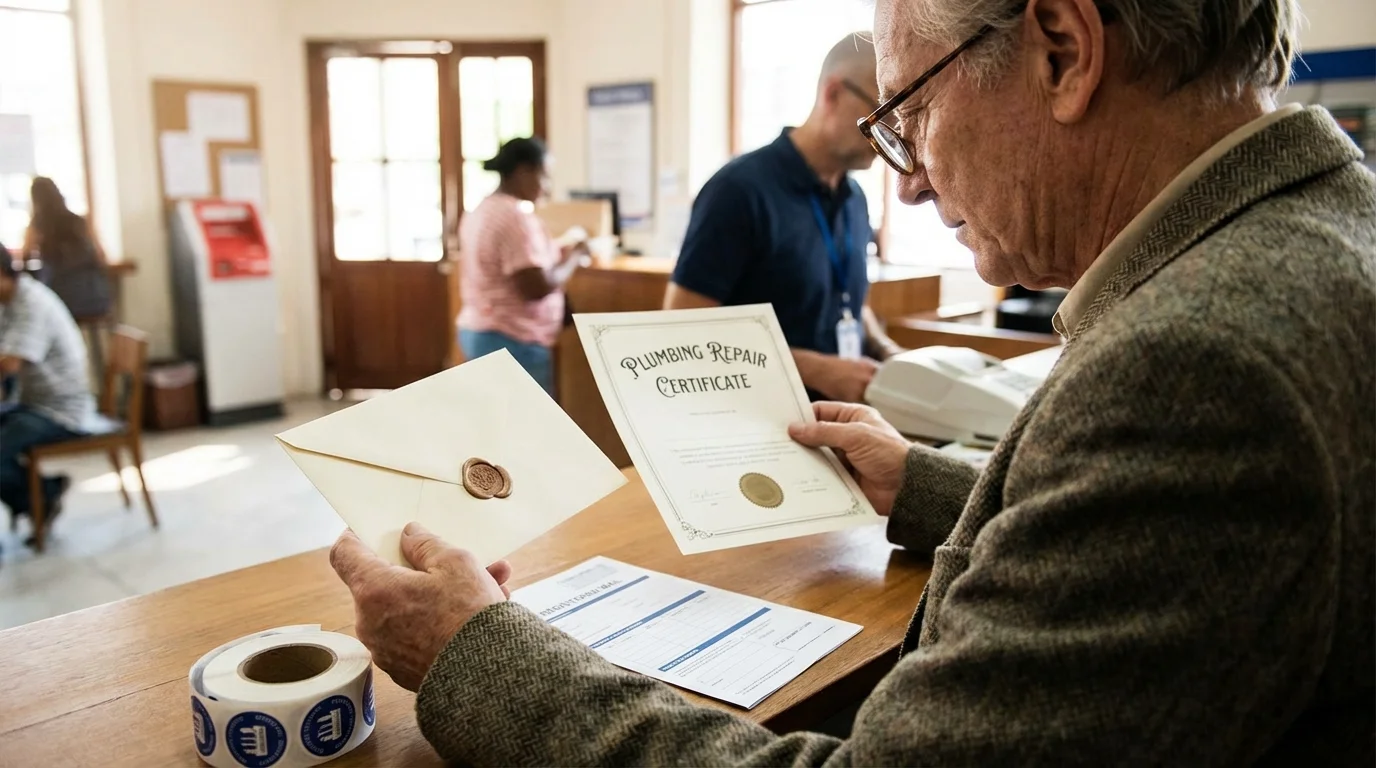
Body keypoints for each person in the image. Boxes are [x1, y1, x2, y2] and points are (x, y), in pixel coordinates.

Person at [329, 0, 1375, 763]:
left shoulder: (1191, 366)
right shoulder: (1325, 232)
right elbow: (1155, 548)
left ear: (1062, 50)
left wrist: (479, 654)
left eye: (910, 116)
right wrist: (926, 485)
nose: (908, 181)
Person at [664, 35, 904, 403]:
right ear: (833, 94)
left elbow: (850, 305)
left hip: (841, 422)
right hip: (755, 421)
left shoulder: (854, 199)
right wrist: (817, 369)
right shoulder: (738, 190)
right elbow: (685, 327)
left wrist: (888, 352)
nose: (887, 136)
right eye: (880, 115)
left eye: (898, 122)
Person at [456, 138, 585, 396]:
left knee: (498, 424)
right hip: (511, 340)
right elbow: (535, 287)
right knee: (528, 430)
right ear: (524, 172)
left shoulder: (481, 210)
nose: (546, 188)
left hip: (481, 331)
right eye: (544, 177)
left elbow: (513, 260)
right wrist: (575, 258)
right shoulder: (514, 218)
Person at [0, 240, 96, 544]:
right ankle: (39, 495)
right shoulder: (11, 301)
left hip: (60, 410)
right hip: (32, 403)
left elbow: (10, 364)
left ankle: (43, 495)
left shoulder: (31, 303)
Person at [24, 177, 113, 321]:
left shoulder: (37, 226)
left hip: (60, 301)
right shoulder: (81, 222)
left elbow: (24, 257)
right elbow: (101, 257)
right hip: (96, 299)